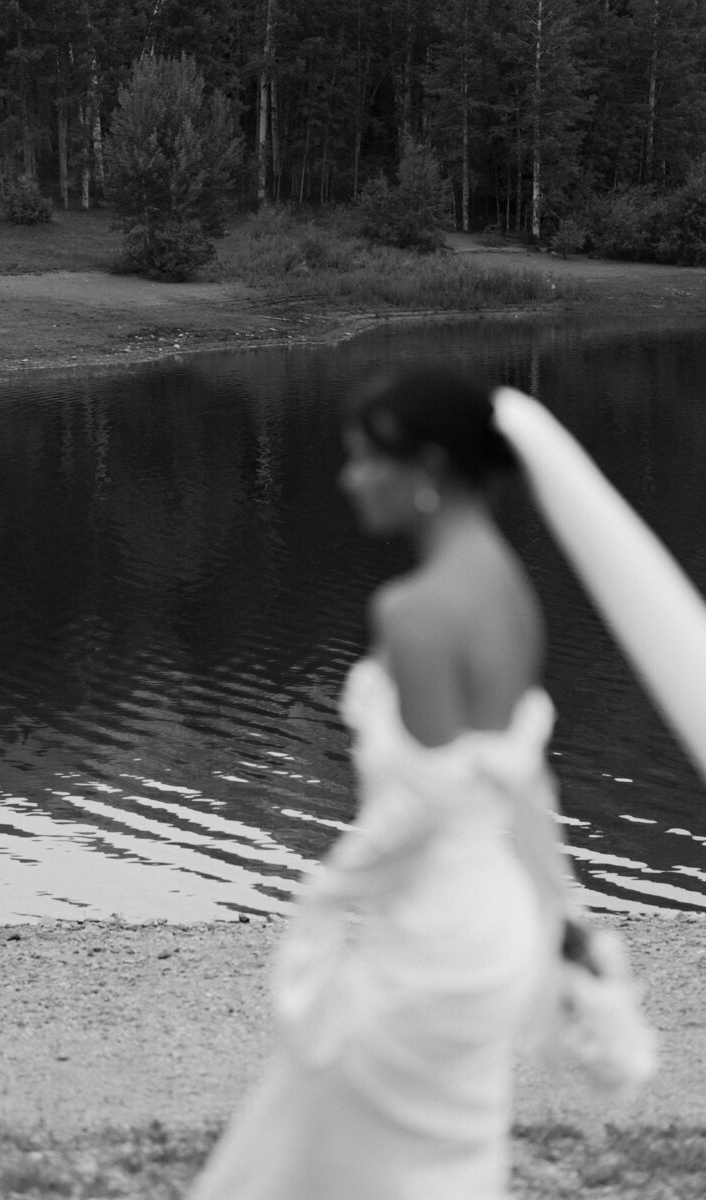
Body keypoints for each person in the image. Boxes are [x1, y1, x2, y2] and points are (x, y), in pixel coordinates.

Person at [187, 366, 657, 1200]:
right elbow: (509, 786)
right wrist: (559, 909)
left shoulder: (417, 613)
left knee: (337, 1158)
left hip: (435, 944)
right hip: (493, 932)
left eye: (366, 458)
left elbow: (426, 808)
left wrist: (326, 895)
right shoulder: (513, 591)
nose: (348, 479)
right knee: (423, 1161)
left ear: (429, 468)